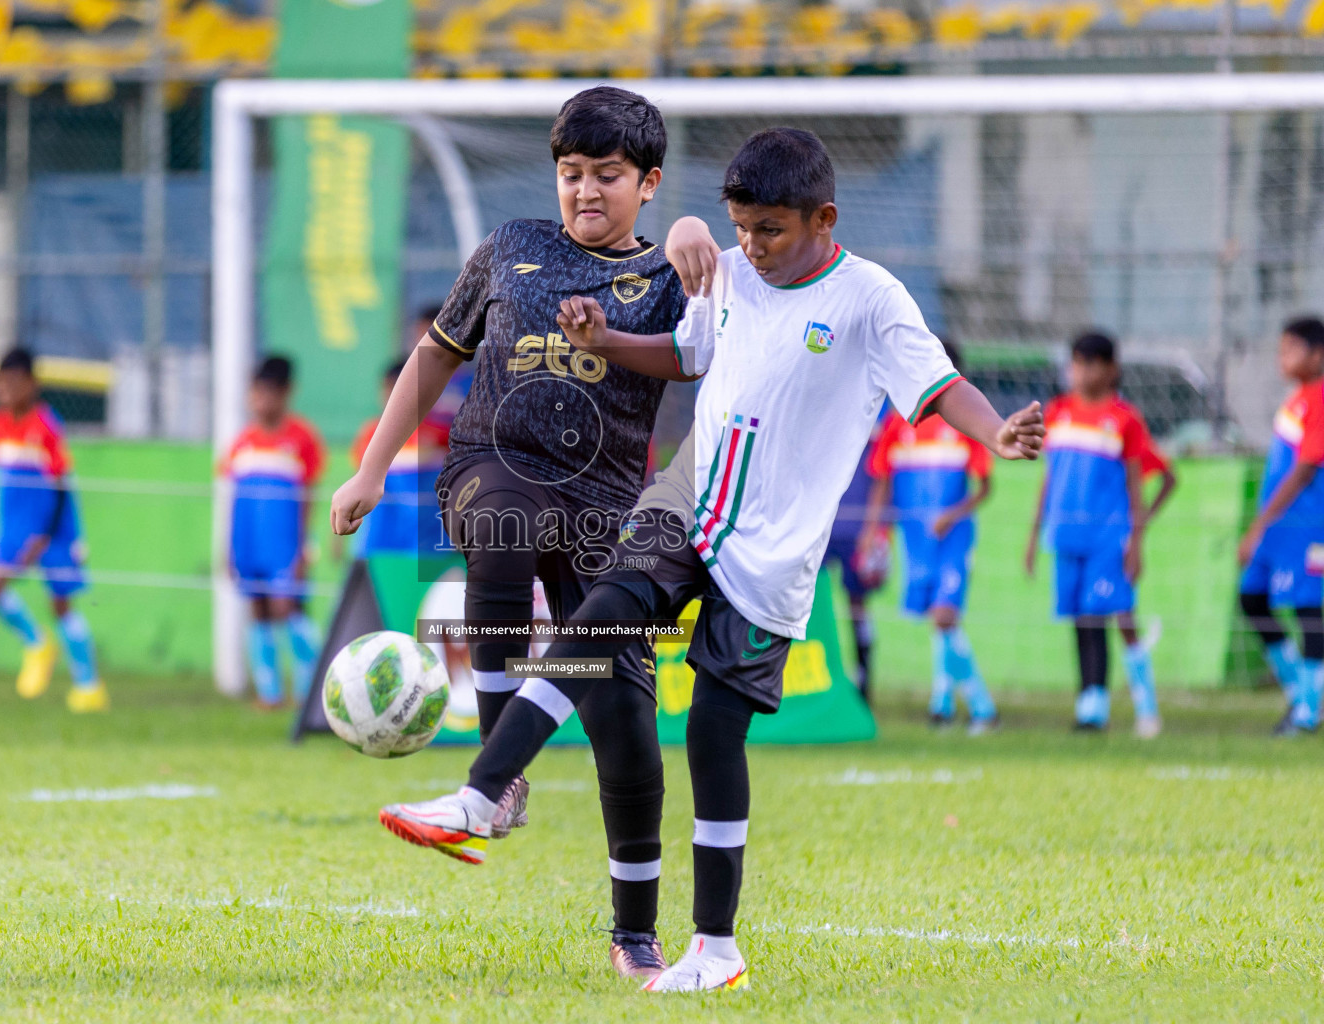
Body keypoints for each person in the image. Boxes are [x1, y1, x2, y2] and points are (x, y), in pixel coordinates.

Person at [375, 127, 1046, 992]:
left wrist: (994, 431)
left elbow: (940, 387)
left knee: (713, 737)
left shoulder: (872, 300)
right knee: (596, 623)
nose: (752, 246)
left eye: (770, 230)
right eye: (741, 227)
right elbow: (689, 356)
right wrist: (607, 339)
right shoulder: (724, 269)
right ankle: (481, 795)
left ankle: (716, 948)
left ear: (822, 218)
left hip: (775, 551)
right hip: (687, 500)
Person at [332, 86, 715, 979]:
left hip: (604, 517)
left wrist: (699, 233)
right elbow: (436, 355)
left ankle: (634, 938)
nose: (584, 190)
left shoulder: (663, 279)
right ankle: (494, 780)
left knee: (623, 717)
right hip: (488, 472)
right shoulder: (510, 250)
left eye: (607, 176)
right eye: (570, 173)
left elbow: (714, 337)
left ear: (647, 182)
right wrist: (373, 467)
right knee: (506, 520)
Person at [1024, 332, 1176, 737]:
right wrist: (1033, 536)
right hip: (1066, 538)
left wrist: (1137, 536)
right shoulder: (1056, 413)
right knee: (1082, 619)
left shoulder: (1124, 419)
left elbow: (1144, 483)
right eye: (1076, 362)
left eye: (1091, 363)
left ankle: (1120, 707)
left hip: (1108, 540)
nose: (1082, 371)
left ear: (1111, 369)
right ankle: (1091, 701)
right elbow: (1049, 479)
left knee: (1112, 618)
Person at [861, 340, 998, 733]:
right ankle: (948, 706)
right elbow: (882, 481)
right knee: (936, 621)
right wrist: (873, 530)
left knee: (944, 615)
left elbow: (986, 488)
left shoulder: (965, 424)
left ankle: (978, 707)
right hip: (914, 543)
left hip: (954, 541)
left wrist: (952, 515)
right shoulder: (897, 423)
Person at [0, 347, 106, 713]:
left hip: (53, 530)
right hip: (14, 528)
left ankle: (89, 687)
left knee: (61, 603)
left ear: (33, 385)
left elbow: (61, 486)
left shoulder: (47, 426)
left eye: (14, 383)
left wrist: (44, 535)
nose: (5, 390)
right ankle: (37, 642)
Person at [1236, 316, 1324, 736]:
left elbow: (1306, 468)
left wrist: (1259, 524)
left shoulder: (1320, 398)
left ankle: (1308, 711)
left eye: (1291, 349)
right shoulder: (1296, 400)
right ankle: (1302, 693)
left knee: (1309, 609)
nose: (1282, 358)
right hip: (1278, 527)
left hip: (1307, 527)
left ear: (1317, 354)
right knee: (1251, 598)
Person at [223, 355, 326, 711]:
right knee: (258, 609)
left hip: (285, 544)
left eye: (267, 393)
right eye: (255, 393)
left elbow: (308, 498)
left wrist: (303, 547)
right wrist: (228, 549)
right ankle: (269, 692)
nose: (259, 401)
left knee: (288, 608)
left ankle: (311, 686)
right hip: (248, 542)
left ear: (286, 393)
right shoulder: (242, 442)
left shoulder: (302, 439)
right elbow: (232, 500)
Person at [348, 358, 449, 558]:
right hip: (381, 536)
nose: (391, 396)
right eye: (387, 388)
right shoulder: (371, 433)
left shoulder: (440, 433)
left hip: (426, 536)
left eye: (397, 389)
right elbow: (356, 484)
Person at [824, 415, 887, 704]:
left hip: (857, 529)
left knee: (858, 606)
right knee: (811, 604)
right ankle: (817, 681)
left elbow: (881, 475)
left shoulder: (875, 408)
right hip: (820, 528)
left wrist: (872, 528)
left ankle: (864, 683)